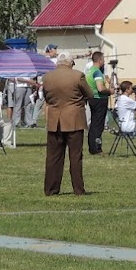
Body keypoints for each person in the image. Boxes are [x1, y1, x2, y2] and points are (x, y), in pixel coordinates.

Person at [42, 53, 93, 196]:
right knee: (75, 156)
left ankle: (51, 189)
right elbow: (90, 94)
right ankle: (78, 189)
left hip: (54, 120)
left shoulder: (47, 77)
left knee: (53, 157)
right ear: (70, 63)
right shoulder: (78, 76)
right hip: (74, 120)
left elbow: (46, 97)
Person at [83, 51, 112, 155]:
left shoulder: (89, 71)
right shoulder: (97, 72)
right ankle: (97, 148)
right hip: (99, 99)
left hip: (92, 99)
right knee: (99, 125)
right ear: (99, 60)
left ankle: (92, 147)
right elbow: (100, 88)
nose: (104, 62)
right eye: (103, 60)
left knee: (93, 124)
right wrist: (109, 91)